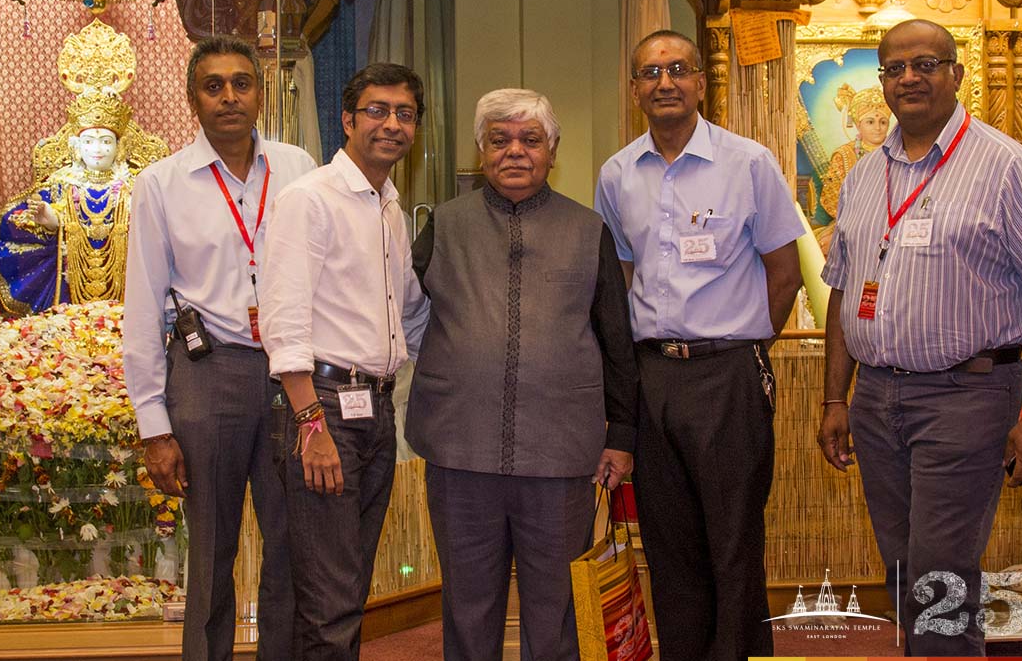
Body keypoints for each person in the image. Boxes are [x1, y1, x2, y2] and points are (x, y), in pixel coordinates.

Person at [818, 18, 1022, 656]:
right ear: (883, 83)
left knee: (941, 575)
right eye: (895, 68)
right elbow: (843, 288)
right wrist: (836, 400)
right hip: (876, 400)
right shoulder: (866, 174)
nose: (910, 78)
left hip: (966, 396)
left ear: (957, 73)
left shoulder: (1005, 165)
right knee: (902, 572)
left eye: (926, 64)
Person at [406, 89, 639, 661]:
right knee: (467, 607)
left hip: (560, 456)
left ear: (552, 151)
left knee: (555, 610)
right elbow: (402, 317)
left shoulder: (589, 231)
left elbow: (617, 342)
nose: (515, 151)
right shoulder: (443, 225)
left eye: (530, 140)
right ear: (482, 149)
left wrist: (622, 437)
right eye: (500, 139)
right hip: (460, 453)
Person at [595, 29, 804, 661]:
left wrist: (746, 349)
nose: (665, 82)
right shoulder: (617, 174)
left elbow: (785, 270)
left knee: (733, 540)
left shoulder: (749, 163)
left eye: (678, 69)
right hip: (651, 376)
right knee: (669, 542)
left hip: (728, 375)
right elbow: (621, 276)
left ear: (699, 83)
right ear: (634, 89)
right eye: (650, 73)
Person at [123, 35, 316, 661]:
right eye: (214, 85)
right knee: (211, 549)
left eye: (242, 83)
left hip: (294, 377)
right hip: (210, 376)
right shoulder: (161, 184)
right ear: (192, 99)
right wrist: (154, 425)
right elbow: (143, 307)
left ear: (260, 93)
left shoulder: (299, 168)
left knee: (293, 542)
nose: (229, 97)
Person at [258, 62, 430, 661]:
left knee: (347, 590)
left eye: (404, 114)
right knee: (329, 602)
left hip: (375, 410)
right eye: (377, 111)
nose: (391, 124)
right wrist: (311, 427)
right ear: (348, 119)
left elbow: (406, 312)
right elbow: (283, 321)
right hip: (323, 410)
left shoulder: (388, 205)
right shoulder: (310, 199)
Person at [0, 89, 163, 314]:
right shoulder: (59, 183)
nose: (97, 149)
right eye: (89, 141)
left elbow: (157, 229)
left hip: (128, 295)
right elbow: (18, 224)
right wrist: (52, 222)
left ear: (120, 147)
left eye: (106, 141)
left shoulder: (138, 184)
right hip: (68, 293)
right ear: (77, 146)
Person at [817, 84, 891, 253]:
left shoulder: (899, 153)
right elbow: (832, 199)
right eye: (870, 122)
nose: (877, 127)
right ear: (858, 125)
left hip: (892, 224)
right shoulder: (843, 155)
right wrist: (860, 221)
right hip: (850, 224)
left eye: (883, 122)